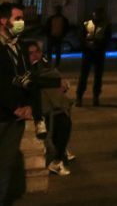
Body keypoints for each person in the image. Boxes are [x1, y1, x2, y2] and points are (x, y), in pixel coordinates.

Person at [24, 41, 73, 177]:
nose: (34, 55)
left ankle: (59, 155)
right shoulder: (24, 68)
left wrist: (63, 84)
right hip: (39, 107)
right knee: (59, 122)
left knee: (64, 122)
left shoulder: (45, 65)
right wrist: (57, 83)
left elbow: (55, 76)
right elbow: (35, 81)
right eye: (30, 53)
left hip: (53, 105)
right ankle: (59, 157)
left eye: (36, 52)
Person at [0, 3, 33, 203]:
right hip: (4, 113)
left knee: (5, 164)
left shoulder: (18, 46)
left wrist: (28, 104)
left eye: (22, 19)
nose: (21, 23)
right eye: (17, 18)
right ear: (3, 21)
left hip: (15, 118)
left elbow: (26, 77)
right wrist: (15, 106)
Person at [76, 6, 111, 106]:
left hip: (99, 53)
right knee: (83, 76)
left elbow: (107, 39)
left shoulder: (106, 25)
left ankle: (96, 97)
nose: (97, 16)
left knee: (98, 77)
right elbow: (81, 37)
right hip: (88, 53)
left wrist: (97, 44)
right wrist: (87, 45)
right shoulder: (87, 24)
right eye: (96, 14)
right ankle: (79, 97)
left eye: (99, 14)